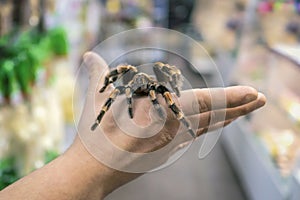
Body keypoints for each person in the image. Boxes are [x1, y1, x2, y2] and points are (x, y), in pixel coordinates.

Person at [0, 52, 266, 200]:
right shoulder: (129, 80)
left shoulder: (153, 83)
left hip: (148, 85)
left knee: (156, 85)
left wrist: (174, 91)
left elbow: (163, 82)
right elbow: (121, 90)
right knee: (132, 89)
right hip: (134, 87)